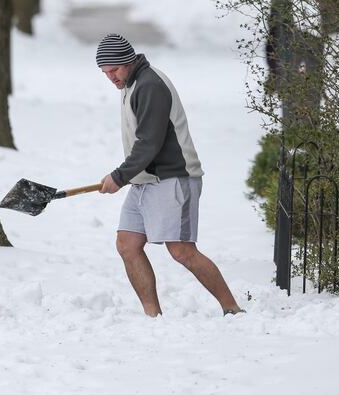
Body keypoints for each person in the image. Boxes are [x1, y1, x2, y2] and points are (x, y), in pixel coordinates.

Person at [96, 33, 243, 317]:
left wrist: (119, 175)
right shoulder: (131, 83)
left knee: (182, 251)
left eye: (114, 70)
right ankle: (153, 317)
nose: (111, 77)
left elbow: (150, 142)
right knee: (127, 245)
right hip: (144, 180)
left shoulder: (150, 85)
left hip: (174, 178)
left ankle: (232, 308)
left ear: (128, 61)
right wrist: (127, 175)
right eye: (105, 73)